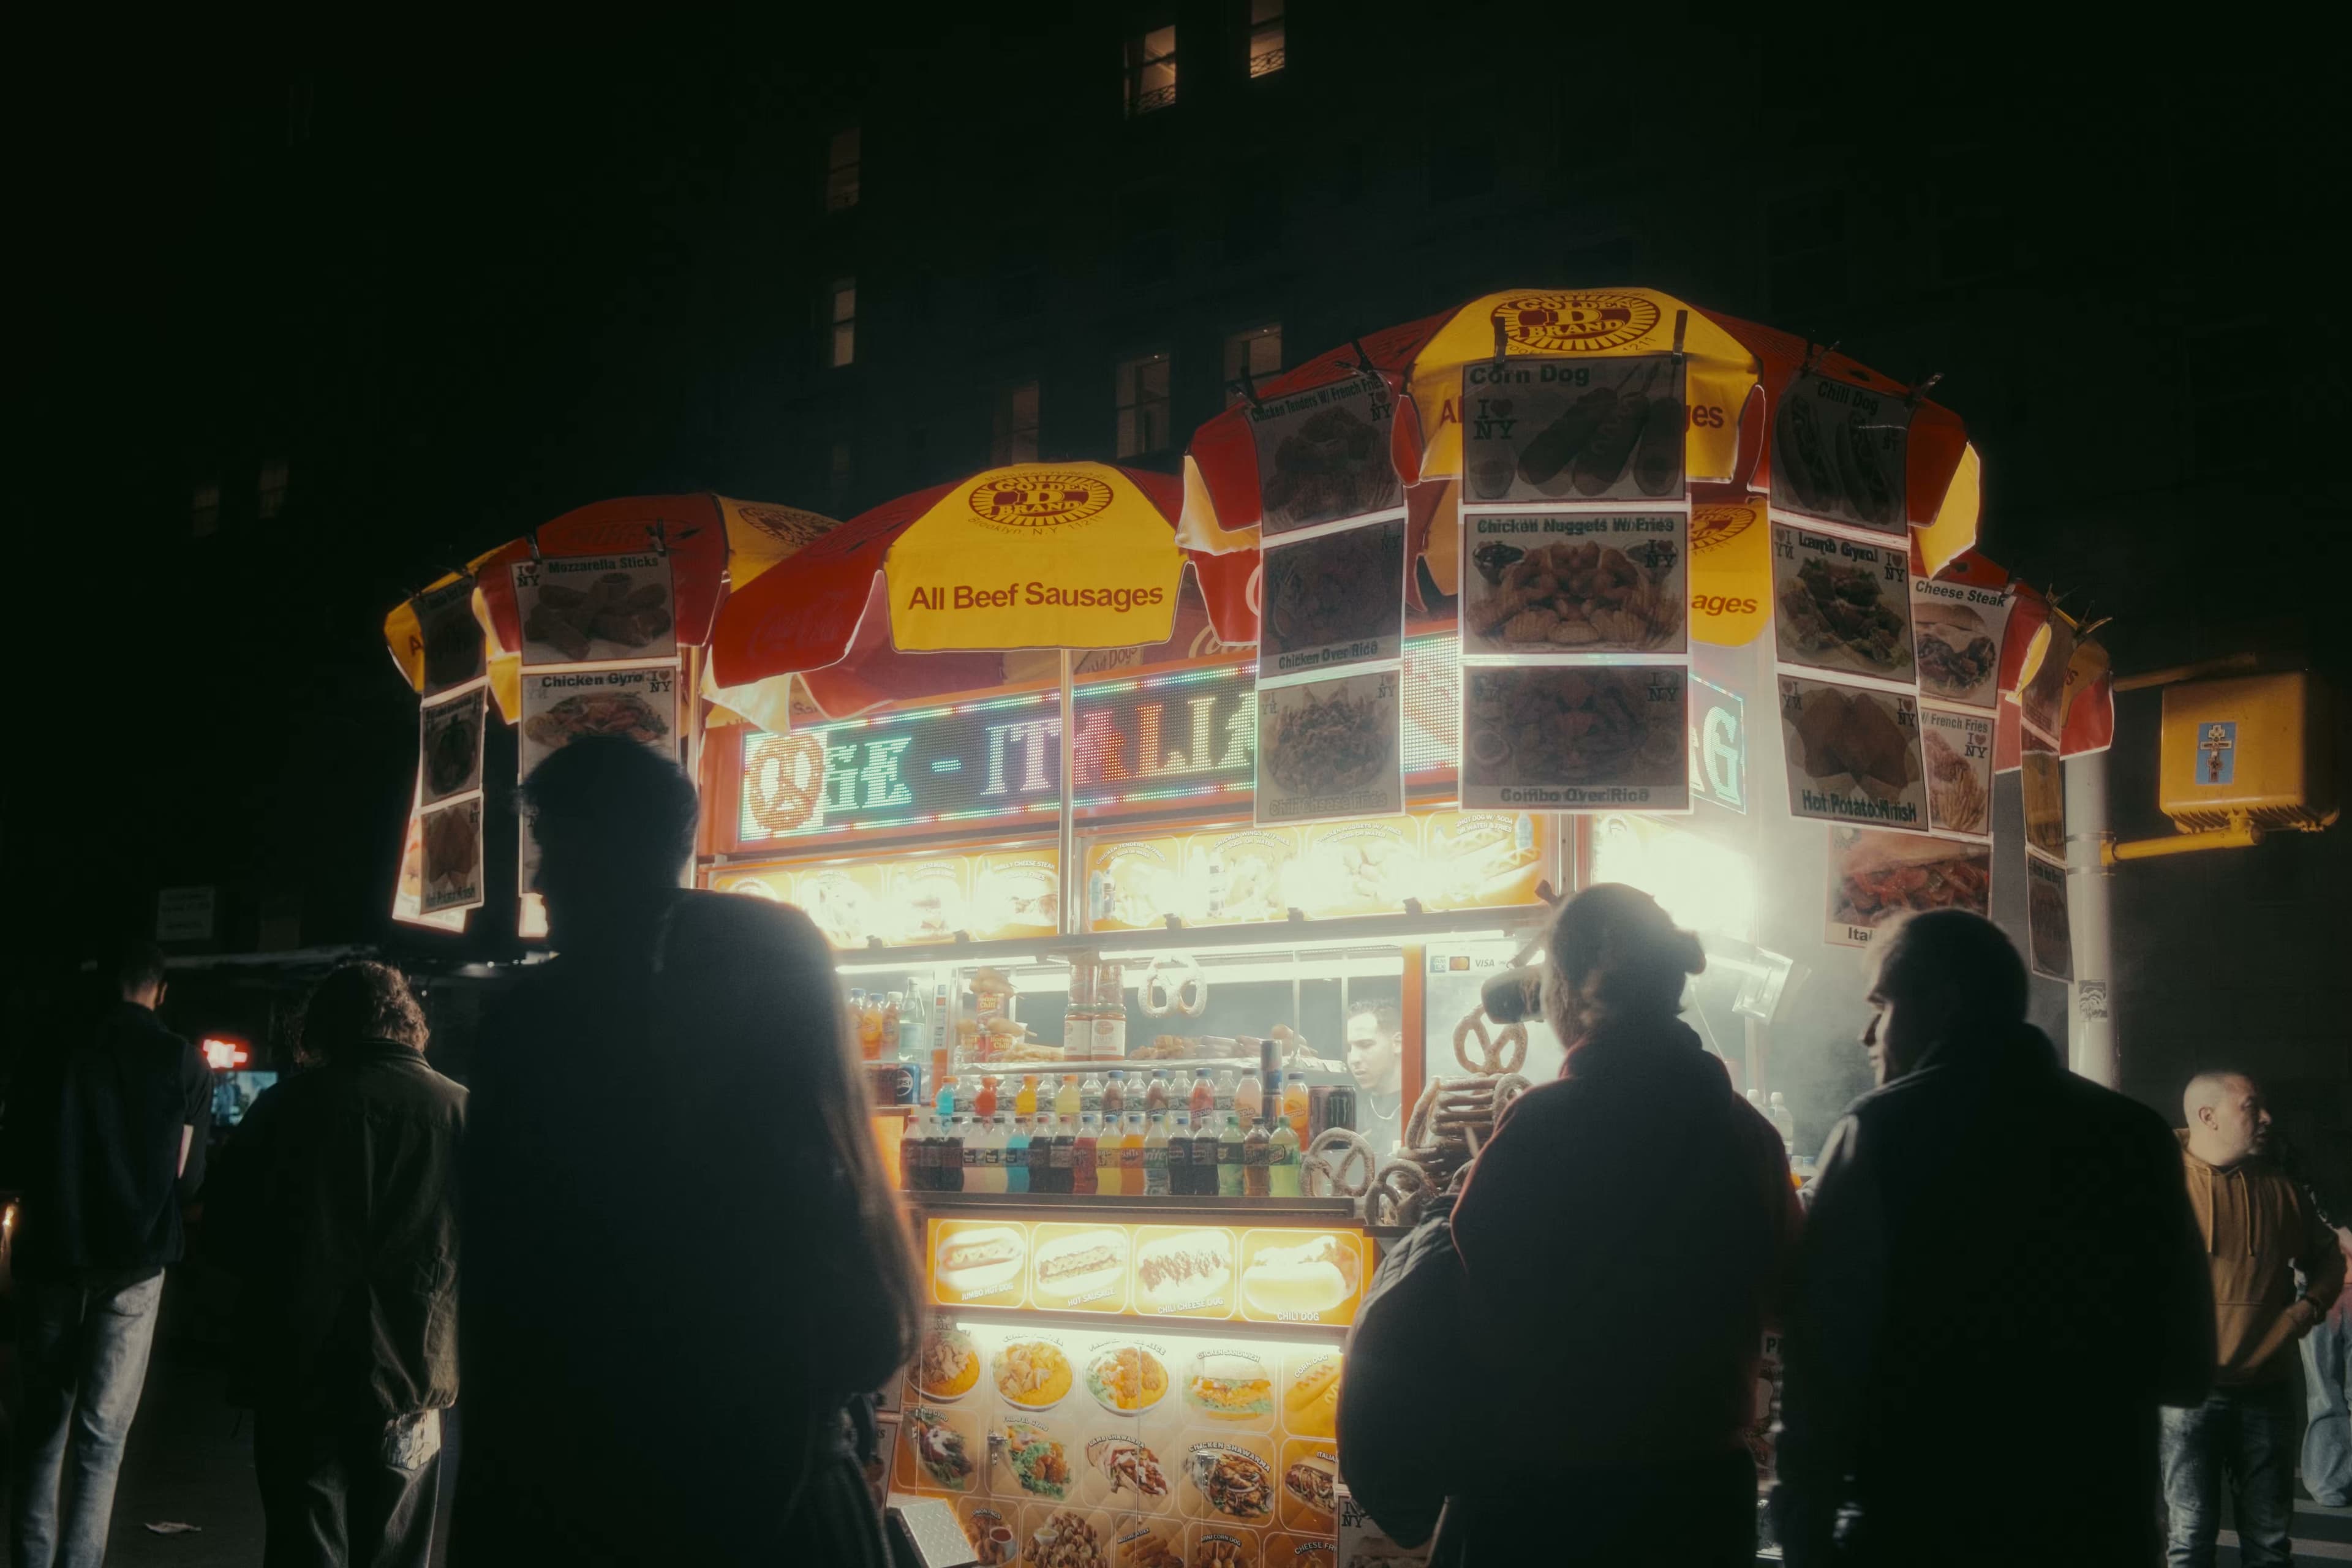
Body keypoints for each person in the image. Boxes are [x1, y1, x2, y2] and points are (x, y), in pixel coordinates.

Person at [452, 736, 921, 1566]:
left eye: (557, 849)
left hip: (611, 1503)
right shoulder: (768, 987)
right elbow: (868, 1334)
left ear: (613, 855)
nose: (539, 881)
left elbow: (515, 1312)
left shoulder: (549, 1034)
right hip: (797, 1510)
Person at [1774, 910, 2214, 1567]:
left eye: (1882, 1005)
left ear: (1944, 1003)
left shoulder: (1882, 1133)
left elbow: (1822, 1366)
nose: (1868, 1033)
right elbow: (2186, 1367)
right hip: (2099, 1526)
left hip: (1918, 1530)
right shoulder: (2133, 1136)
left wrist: (1803, 1531)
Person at [1443, 884, 1800, 1565]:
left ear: (1568, 989)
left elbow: (1476, 1289)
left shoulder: (1540, 1124)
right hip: (1698, 1499)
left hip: (1551, 1496)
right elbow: (1787, 1294)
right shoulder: (1750, 1137)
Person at [206, 962, 467, 1568]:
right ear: (408, 1023)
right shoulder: (461, 1114)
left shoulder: (284, 1108)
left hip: (299, 1373)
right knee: (396, 1553)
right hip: (415, 1379)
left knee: (304, 1549)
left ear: (323, 1026)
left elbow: (224, 1234)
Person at [0, 938, 211, 1568]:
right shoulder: (183, 1063)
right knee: (102, 1440)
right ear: (161, 990)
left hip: (50, 1260)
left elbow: (12, 1156)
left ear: (102, 981)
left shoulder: (49, 1050)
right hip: (135, 1266)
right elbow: (190, 1180)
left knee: (40, 1434)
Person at [2162, 1071, 2346, 1567]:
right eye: (2251, 1107)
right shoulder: (2155, 1185)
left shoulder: (2279, 1189)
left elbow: (2328, 1258)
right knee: (2190, 1536)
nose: (2266, 1118)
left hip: (2266, 1389)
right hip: (2185, 1394)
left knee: (2268, 1541)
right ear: (2208, 1116)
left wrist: (2306, 1311)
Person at [1342, 999, 1406, 1158]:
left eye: (1365, 1045)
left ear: (1397, 1043)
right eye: (1350, 1049)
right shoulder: (1350, 1116)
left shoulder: (1425, 1108)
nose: (1354, 1059)